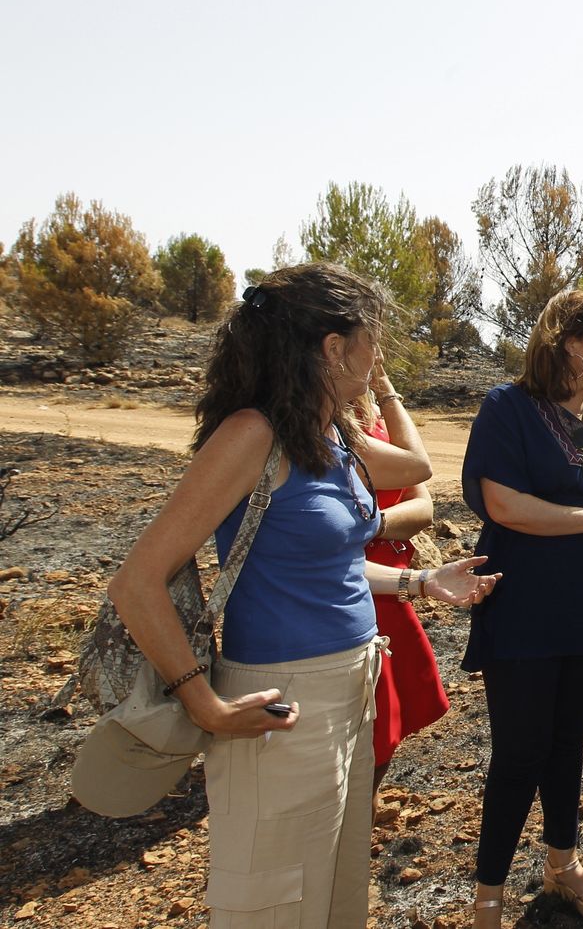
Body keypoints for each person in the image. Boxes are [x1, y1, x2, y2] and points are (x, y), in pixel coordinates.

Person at [105, 262, 499, 929]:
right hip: (281, 701)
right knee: (273, 901)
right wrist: (204, 701)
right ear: (334, 347)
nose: (378, 360)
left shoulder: (331, 438)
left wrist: (421, 582)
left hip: (351, 689)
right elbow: (136, 582)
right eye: (371, 340)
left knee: (334, 896)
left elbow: (336, 565)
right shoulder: (251, 435)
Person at [460, 288, 583, 926]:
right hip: (526, 608)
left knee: (568, 740)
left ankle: (562, 864)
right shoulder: (508, 409)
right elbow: (502, 503)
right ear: (570, 343)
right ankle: (489, 895)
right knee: (519, 750)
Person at [358, 369, 450, 816]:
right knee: (373, 701)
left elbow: (424, 502)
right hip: (355, 584)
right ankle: (356, 804)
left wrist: (370, 525)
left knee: (395, 694)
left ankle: (366, 799)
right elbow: (415, 473)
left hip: (388, 577)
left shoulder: (377, 415)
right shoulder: (325, 429)